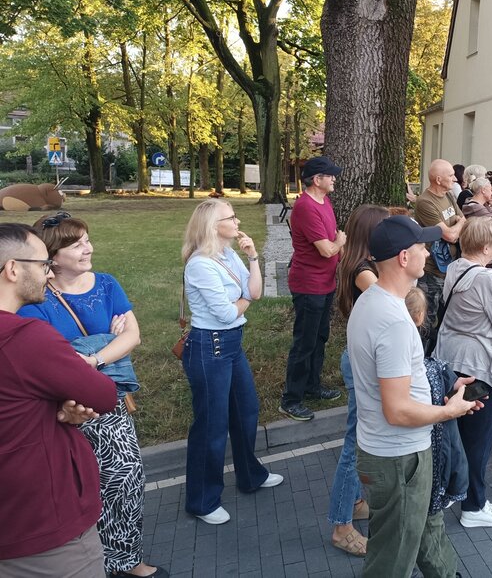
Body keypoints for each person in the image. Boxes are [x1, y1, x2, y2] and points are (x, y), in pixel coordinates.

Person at [19, 213, 162, 577]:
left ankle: (127, 559)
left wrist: (93, 357)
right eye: (77, 245)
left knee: (127, 478)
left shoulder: (106, 283)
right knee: (85, 487)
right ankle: (96, 561)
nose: (89, 249)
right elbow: (48, 359)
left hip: (109, 403)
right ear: (52, 256)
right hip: (65, 409)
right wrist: (109, 342)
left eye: (87, 240)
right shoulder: (36, 299)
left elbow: (133, 336)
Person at [348, 215, 480, 577]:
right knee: (392, 561)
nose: (429, 252)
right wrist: (449, 412)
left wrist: (445, 390)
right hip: (399, 457)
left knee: (418, 532)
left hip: (393, 453)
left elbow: (399, 384)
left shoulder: (372, 300)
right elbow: (398, 410)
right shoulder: (392, 319)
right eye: (422, 246)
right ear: (404, 257)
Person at [0, 223, 118, 576]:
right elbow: (104, 394)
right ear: (13, 269)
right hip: (43, 528)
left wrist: (49, 405)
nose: (49, 274)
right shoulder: (26, 338)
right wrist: (59, 405)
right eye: (43, 265)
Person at [180, 199, 281, 525]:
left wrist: (253, 257)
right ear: (214, 226)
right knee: (212, 425)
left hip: (231, 345)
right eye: (231, 217)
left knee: (246, 410)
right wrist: (245, 297)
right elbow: (225, 314)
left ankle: (250, 475)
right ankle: (202, 500)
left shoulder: (228, 254)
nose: (237, 222)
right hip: (210, 347)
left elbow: (256, 292)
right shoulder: (200, 264)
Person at [435, 217, 492, 529]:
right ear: (486, 247)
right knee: (479, 437)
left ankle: (452, 490)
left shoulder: (455, 269)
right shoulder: (489, 279)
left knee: (456, 433)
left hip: (452, 360)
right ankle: (474, 505)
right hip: (481, 366)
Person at [327, 204, 390, 557]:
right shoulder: (363, 272)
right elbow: (391, 300)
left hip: (362, 357)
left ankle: (352, 503)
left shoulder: (361, 263)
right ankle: (341, 526)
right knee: (354, 445)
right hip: (361, 362)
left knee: (358, 440)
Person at [280, 156, 346, 422]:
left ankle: (312, 385)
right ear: (317, 180)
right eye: (330, 175)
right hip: (309, 285)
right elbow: (327, 248)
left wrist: (338, 244)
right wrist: (340, 241)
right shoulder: (306, 207)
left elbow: (332, 241)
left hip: (325, 282)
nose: (334, 179)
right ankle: (291, 399)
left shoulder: (324, 201)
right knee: (304, 342)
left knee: (319, 337)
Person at [414, 159, 466, 342]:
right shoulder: (425, 202)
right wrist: (457, 225)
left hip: (449, 268)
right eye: (451, 176)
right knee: (426, 319)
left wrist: (457, 225)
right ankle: (421, 354)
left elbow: (463, 219)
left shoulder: (449, 195)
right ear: (438, 179)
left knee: (446, 316)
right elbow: (450, 236)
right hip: (431, 270)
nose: (455, 179)